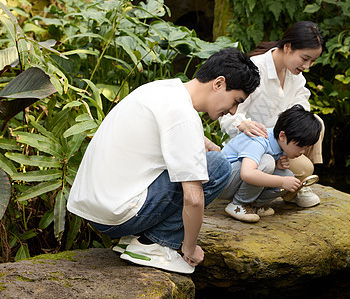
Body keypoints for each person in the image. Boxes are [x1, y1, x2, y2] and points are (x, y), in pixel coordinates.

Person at [67, 48, 260, 274]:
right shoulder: (184, 115)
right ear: (218, 83)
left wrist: (201, 140)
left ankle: (136, 238)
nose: (233, 110)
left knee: (203, 160)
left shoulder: (163, 89)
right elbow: (194, 198)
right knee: (217, 165)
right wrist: (190, 247)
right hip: (119, 215)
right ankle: (155, 244)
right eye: (236, 101)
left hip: (99, 211)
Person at [219, 21, 325, 208]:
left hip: (281, 144)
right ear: (288, 47)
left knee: (316, 123)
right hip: (253, 149)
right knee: (301, 168)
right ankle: (287, 190)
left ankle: (302, 183)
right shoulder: (254, 69)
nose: (307, 66)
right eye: (305, 58)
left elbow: (302, 107)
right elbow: (226, 113)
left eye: (313, 61)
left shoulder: (296, 76)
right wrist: (242, 124)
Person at [219, 105, 322, 223]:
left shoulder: (280, 144)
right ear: (282, 136)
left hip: (236, 181)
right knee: (268, 162)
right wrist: (282, 182)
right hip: (223, 183)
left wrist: (279, 168)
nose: (303, 152)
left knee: (287, 174)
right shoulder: (259, 139)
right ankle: (239, 204)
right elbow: (247, 174)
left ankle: (254, 205)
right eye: (300, 146)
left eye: (306, 147)